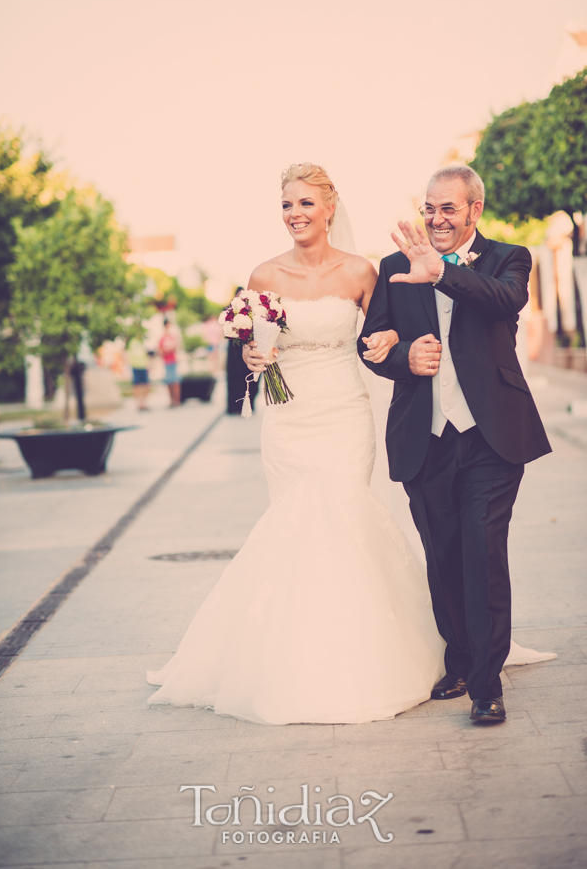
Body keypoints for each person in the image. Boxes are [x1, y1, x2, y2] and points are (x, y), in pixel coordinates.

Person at [147, 163, 445, 723]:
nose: (295, 215)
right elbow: (253, 348)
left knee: (342, 515)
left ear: (330, 209)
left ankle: (362, 651)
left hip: (343, 412)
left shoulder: (361, 272)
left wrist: (386, 340)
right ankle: (291, 654)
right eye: (287, 205)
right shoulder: (263, 275)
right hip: (287, 417)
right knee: (294, 521)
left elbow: (385, 332)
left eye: (305, 204)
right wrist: (255, 356)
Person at [358, 165, 553, 723]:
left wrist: (440, 271)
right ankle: (462, 658)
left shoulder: (509, 258)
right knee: (442, 555)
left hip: (493, 435)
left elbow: (503, 302)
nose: (436, 218)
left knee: (483, 551)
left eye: (448, 208)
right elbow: (367, 343)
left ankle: (487, 684)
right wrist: (403, 359)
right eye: (429, 208)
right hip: (426, 436)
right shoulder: (393, 268)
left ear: (474, 211)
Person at [226, 287, 260, 414]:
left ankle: (249, 403)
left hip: (248, 346)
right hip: (234, 350)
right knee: (234, 378)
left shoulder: (251, 310)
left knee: (250, 376)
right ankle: (234, 405)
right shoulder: (230, 311)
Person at [159, 318, 180, 407]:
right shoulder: (162, 338)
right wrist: (168, 350)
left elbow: (175, 347)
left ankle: (177, 401)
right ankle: (171, 401)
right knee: (169, 382)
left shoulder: (173, 337)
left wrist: (168, 350)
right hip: (167, 362)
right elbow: (161, 351)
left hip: (173, 361)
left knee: (175, 381)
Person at [126, 335, 150, 411]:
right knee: (136, 385)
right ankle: (139, 404)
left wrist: (147, 364)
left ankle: (143, 402)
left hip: (143, 366)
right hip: (135, 366)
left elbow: (145, 354)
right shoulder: (131, 342)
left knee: (146, 385)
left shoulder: (142, 342)